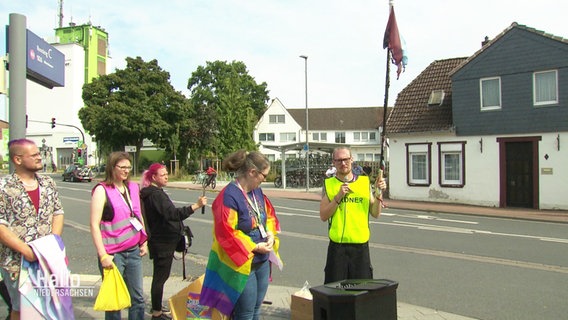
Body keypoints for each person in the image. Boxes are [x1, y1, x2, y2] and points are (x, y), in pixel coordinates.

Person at [200, 150, 282, 320]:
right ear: (252, 172)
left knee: (256, 309)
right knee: (244, 313)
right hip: (243, 263)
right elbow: (225, 232)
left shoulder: (257, 191)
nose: (264, 180)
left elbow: (267, 216)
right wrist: (254, 246)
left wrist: (270, 234)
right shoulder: (228, 196)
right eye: (263, 175)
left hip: (262, 260)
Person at [0, 139, 65, 319]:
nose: (39, 158)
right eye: (34, 155)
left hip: (47, 258)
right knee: (21, 308)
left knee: (47, 306)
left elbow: (57, 212)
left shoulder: (48, 183)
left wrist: (52, 243)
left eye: (39, 154)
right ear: (18, 160)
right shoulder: (3, 187)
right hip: (17, 262)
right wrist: (26, 251)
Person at [140, 163, 207, 320]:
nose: (166, 176)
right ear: (154, 177)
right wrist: (196, 206)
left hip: (162, 241)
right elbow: (173, 214)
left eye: (166, 173)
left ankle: (157, 306)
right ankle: (156, 312)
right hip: (162, 243)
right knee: (160, 278)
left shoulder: (155, 193)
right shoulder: (155, 195)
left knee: (161, 276)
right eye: (163, 174)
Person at [90, 151, 148, 320]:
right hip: (112, 254)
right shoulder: (102, 190)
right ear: (112, 167)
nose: (126, 171)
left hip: (133, 251)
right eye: (122, 167)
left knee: (137, 298)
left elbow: (137, 214)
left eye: (128, 167)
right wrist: (103, 255)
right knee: (114, 302)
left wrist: (143, 241)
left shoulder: (133, 187)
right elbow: (94, 224)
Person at [319, 147, 386, 284]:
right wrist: (338, 197)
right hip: (338, 248)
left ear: (352, 160)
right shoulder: (329, 184)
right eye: (339, 160)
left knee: (361, 293)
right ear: (333, 162)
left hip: (360, 248)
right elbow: (323, 215)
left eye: (346, 159)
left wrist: (379, 193)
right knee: (335, 292)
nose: (343, 163)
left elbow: (375, 213)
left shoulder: (363, 183)